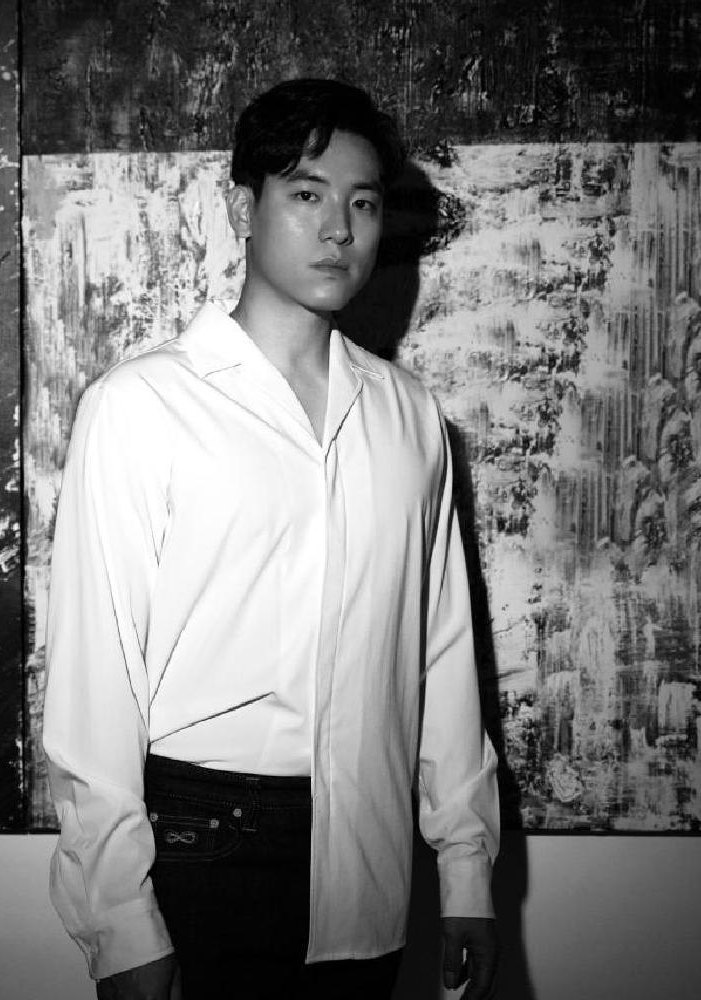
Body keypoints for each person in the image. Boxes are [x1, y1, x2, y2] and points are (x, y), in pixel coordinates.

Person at [43, 79, 501, 1000]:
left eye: (362, 203)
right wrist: (118, 924)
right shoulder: (141, 407)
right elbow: (97, 680)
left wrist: (466, 870)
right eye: (305, 193)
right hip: (200, 844)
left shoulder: (410, 414)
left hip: (368, 847)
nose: (338, 228)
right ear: (242, 208)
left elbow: (442, 655)